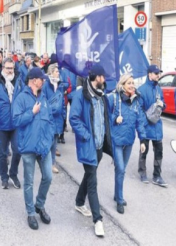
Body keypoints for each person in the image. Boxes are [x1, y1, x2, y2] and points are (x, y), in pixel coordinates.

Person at [69, 64, 112, 237]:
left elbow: (104, 118)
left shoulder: (102, 95)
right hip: (88, 146)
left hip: (99, 146)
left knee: (89, 175)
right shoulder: (81, 95)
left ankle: (79, 201)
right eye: (103, 76)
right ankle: (98, 220)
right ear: (96, 77)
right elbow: (74, 118)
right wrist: (86, 136)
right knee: (93, 182)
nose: (105, 79)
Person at [12, 67, 54, 230]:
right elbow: (15, 120)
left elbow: (50, 120)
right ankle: (30, 212)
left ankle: (39, 205)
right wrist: (32, 112)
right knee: (28, 182)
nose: (43, 81)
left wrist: (49, 138)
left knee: (48, 177)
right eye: (41, 79)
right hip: (28, 147)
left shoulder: (44, 97)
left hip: (44, 147)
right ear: (33, 80)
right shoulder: (22, 98)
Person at [108, 73, 147, 214]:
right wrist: (114, 118)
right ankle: (119, 199)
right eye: (129, 83)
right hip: (117, 140)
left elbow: (140, 121)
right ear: (122, 85)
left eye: (133, 83)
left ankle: (116, 193)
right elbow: (104, 115)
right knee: (121, 170)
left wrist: (142, 140)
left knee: (120, 170)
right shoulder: (113, 98)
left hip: (129, 141)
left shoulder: (136, 100)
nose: (132, 85)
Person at [0, 58, 24, 189]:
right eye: (8, 68)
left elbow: (24, 99)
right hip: (1, 124)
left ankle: (13, 174)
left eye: (12, 68)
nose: (10, 71)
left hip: (15, 123)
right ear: (2, 68)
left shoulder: (19, 81)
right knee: (3, 153)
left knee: (18, 150)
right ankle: (4, 177)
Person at [137, 65, 168, 187]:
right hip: (146, 126)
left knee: (159, 152)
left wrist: (163, 105)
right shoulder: (141, 89)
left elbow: (163, 104)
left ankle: (157, 175)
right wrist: (145, 122)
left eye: (159, 73)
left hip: (157, 126)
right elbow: (139, 110)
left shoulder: (158, 88)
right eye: (156, 73)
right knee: (144, 150)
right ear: (149, 74)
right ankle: (142, 173)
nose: (158, 75)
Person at [42, 64, 66, 174]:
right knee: (48, 142)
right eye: (56, 71)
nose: (58, 73)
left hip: (58, 119)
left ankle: (52, 163)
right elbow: (43, 102)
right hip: (49, 119)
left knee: (54, 143)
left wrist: (64, 115)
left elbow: (62, 102)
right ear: (51, 73)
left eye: (58, 71)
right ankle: (46, 163)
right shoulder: (46, 86)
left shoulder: (60, 85)